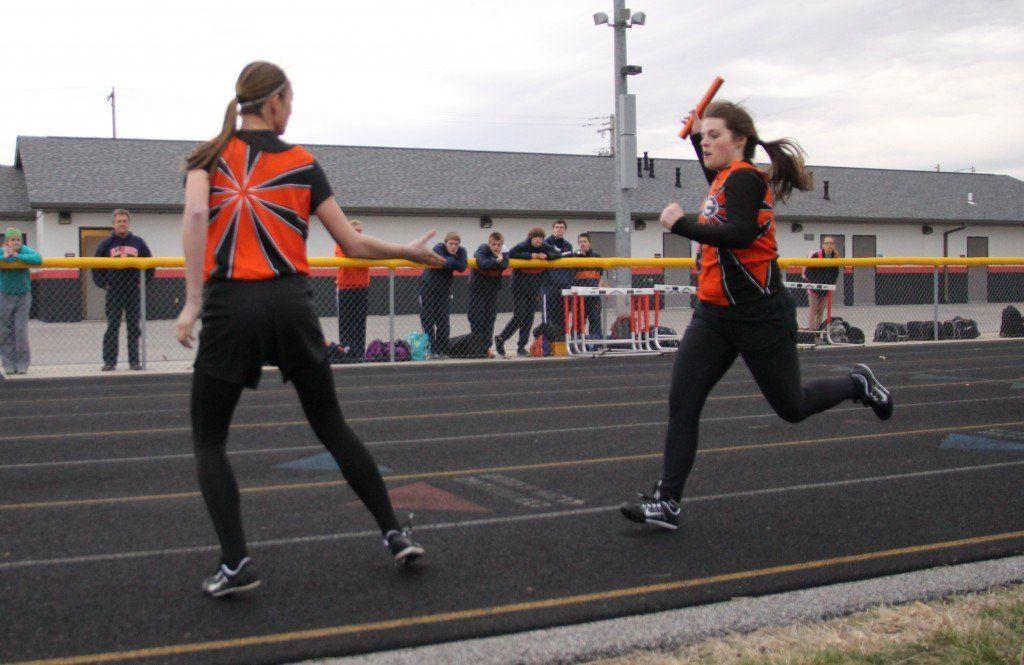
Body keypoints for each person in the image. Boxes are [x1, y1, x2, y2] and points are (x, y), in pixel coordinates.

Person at [175, 61, 445, 598]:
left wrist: (191, 302)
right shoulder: (302, 163)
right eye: (291, 100)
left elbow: (194, 220)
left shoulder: (206, 157)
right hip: (292, 305)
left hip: (232, 309)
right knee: (331, 424)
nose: (292, 110)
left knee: (209, 439)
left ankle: (235, 563)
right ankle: (394, 533)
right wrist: (408, 254)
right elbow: (353, 244)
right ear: (273, 100)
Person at [620, 101, 893, 532]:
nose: (707, 142)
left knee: (792, 407)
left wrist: (682, 226)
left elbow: (740, 232)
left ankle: (857, 382)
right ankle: (667, 501)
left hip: (759, 315)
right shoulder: (727, 178)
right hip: (713, 316)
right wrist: (695, 137)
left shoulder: (745, 178)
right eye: (704, 136)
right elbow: (716, 183)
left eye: (714, 135)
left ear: (740, 141)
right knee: (683, 401)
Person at [93, 209, 153, 371]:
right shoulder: (106, 244)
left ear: (128, 223)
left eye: (125, 221)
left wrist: (144, 282)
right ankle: (109, 362)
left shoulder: (138, 242)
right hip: (114, 292)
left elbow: (150, 264)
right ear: (113, 224)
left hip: (133, 291)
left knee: (134, 326)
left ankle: (134, 361)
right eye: (119, 221)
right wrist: (103, 284)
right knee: (113, 326)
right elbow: (95, 266)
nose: (122, 224)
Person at [494, 227, 560, 357]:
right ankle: (501, 338)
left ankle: (521, 346)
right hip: (520, 287)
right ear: (531, 237)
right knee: (520, 315)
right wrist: (531, 256)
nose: (538, 240)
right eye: (536, 237)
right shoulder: (523, 245)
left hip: (534, 288)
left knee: (529, 318)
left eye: (540, 237)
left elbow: (556, 254)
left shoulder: (544, 246)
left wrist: (546, 256)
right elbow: (511, 254)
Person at [419, 231, 467, 358]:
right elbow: (446, 262)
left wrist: (450, 261)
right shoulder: (438, 248)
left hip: (444, 290)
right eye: (451, 244)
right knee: (428, 319)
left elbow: (462, 267)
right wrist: (452, 260)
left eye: (456, 244)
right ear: (446, 243)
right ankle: (431, 350)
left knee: (443, 321)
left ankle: (441, 350)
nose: (454, 247)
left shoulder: (461, 251)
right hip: (428, 288)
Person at [1, 228, 42, 375]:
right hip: (4, 295)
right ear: (7, 241)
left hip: (23, 295)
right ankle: (8, 364)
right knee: (5, 330)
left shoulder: (25, 250)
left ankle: (22, 363)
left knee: (20, 329)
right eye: (12, 239)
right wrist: (5, 257)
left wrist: (18, 256)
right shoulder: (2, 251)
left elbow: (38, 259)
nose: (16, 242)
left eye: (18, 239)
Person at [335, 220, 370, 361]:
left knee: (360, 323)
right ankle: (346, 353)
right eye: (355, 231)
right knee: (346, 323)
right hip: (345, 288)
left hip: (362, 288)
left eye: (360, 232)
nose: (358, 234)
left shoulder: (365, 244)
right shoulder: (341, 243)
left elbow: (370, 256)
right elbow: (342, 256)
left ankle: (359, 353)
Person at [468, 231, 509, 347]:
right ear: (489, 244)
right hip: (477, 289)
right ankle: (476, 346)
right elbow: (482, 263)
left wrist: (499, 259)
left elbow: (505, 264)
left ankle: (487, 347)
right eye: (494, 244)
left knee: (490, 319)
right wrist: (496, 260)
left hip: (492, 290)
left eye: (499, 245)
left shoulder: (504, 251)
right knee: (477, 318)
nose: (496, 247)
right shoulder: (482, 248)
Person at [542, 219, 574, 332]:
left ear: (565, 230)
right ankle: (546, 343)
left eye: (561, 227)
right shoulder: (545, 243)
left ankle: (561, 341)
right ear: (553, 228)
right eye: (557, 227)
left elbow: (571, 267)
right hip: (549, 286)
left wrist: (569, 284)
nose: (559, 229)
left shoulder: (568, 245)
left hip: (564, 286)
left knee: (563, 316)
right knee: (548, 316)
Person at [803, 236, 840, 330]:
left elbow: (835, 273)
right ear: (823, 245)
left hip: (825, 288)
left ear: (834, 245)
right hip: (814, 288)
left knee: (820, 312)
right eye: (827, 243)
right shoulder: (817, 255)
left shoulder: (835, 257)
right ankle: (811, 333)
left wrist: (830, 285)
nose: (829, 245)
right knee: (813, 311)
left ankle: (818, 333)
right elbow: (808, 272)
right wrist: (815, 284)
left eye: (831, 243)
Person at [573, 232, 604, 338]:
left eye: (584, 241)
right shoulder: (574, 257)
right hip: (579, 296)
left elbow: (600, 276)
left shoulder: (597, 257)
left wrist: (599, 287)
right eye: (580, 242)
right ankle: (576, 342)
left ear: (589, 243)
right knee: (578, 320)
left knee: (595, 319)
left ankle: (595, 343)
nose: (582, 244)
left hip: (594, 295)